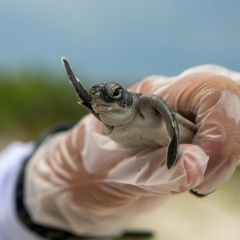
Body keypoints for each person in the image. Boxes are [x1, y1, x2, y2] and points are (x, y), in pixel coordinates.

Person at [1, 64, 240, 240]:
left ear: (125, 96)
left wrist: (174, 145)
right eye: (96, 99)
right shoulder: (105, 120)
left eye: (114, 93)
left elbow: (166, 113)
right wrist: (36, 185)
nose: (103, 99)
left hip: (177, 134)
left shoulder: (146, 103)